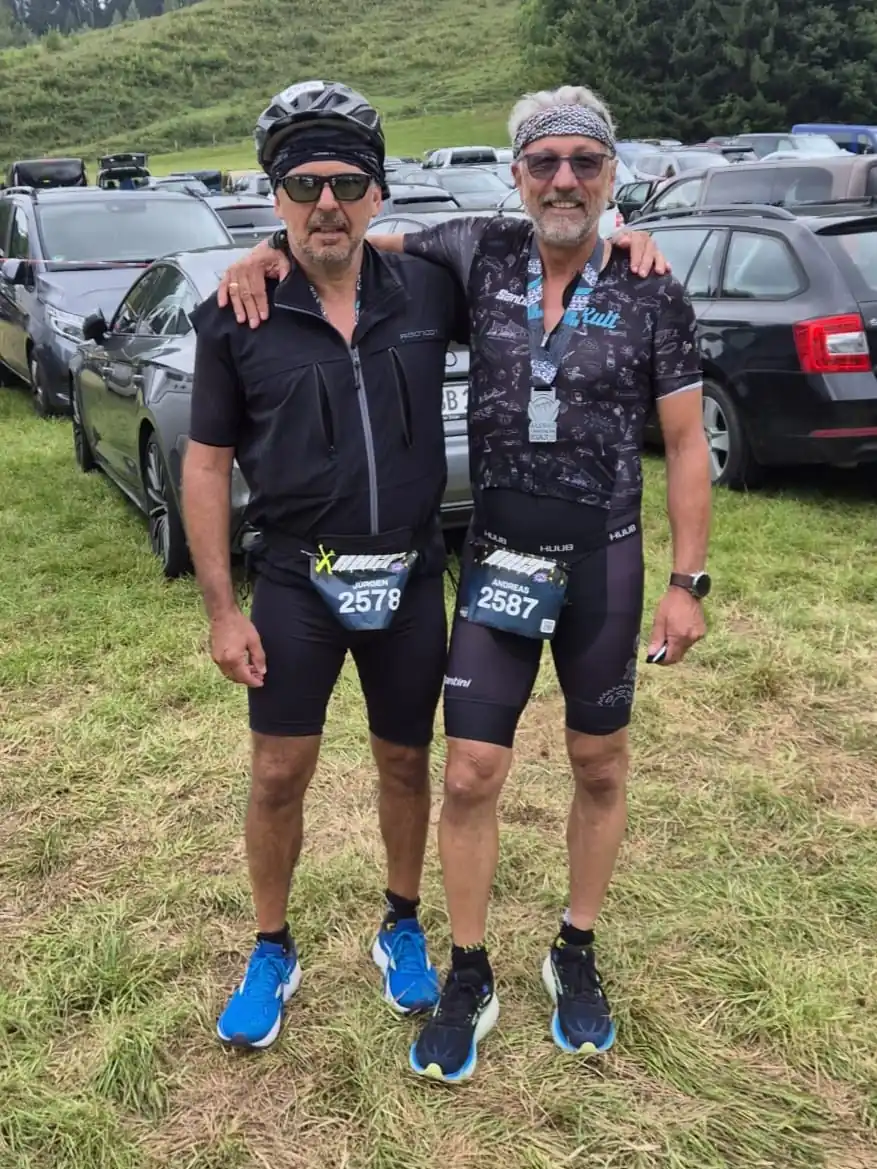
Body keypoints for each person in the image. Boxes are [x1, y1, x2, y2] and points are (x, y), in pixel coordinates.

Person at [213, 85, 677, 1070]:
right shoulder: (275, 301)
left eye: (348, 183)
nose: (328, 202)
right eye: (304, 185)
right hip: (337, 574)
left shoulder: (485, 284)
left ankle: (464, 933)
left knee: (460, 762)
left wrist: (622, 236)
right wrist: (264, 251)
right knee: (335, 771)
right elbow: (211, 456)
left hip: (478, 566)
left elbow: (572, 281)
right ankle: (310, 949)